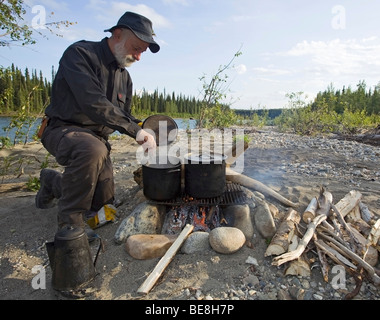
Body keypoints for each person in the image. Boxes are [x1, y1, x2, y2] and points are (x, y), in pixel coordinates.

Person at [36, 12, 158, 239]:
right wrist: (135, 131)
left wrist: (144, 129)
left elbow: (124, 115)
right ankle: (70, 228)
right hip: (63, 130)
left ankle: (53, 182)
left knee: (103, 207)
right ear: (118, 34)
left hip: (97, 141)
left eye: (142, 52)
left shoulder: (125, 77)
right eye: (137, 48)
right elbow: (93, 102)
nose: (139, 57)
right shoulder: (80, 54)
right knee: (92, 150)